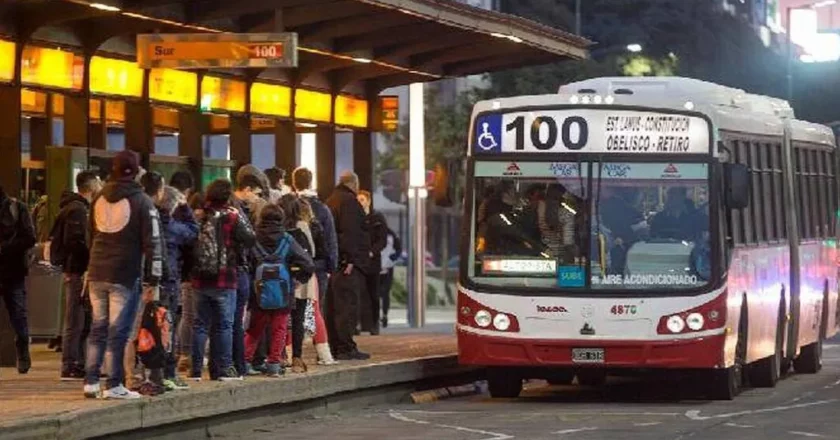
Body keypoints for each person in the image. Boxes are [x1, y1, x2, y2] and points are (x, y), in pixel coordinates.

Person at [84, 150, 163, 399]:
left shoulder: (98, 197)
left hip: (97, 270)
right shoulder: (142, 201)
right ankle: (115, 384)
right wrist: (154, 278)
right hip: (124, 273)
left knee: (97, 328)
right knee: (118, 331)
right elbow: (153, 242)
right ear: (136, 171)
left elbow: (90, 235)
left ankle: (91, 381)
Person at [191, 179, 255, 381]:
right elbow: (250, 238)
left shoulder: (199, 215)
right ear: (228, 196)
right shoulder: (232, 216)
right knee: (224, 325)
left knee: (200, 325)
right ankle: (224, 368)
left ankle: (195, 371)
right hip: (225, 278)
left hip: (200, 279)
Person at [243, 204, 313, 377]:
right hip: (283, 292)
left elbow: (244, 262)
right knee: (279, 328)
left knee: (254, 329)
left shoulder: (253, 239)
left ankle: (244, 361)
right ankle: (274, 364)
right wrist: (298, 279)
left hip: (258, 292)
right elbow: (308, 264)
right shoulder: (287, 240)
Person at [52, 170, 101, 380]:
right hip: (77, 270)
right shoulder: (78, 210)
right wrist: (90, 257)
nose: (101, 185)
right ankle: (70, 363)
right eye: (98, 182)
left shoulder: (75, 208)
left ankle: (77, 362)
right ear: (90, 186)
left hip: (74, 270)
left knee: (79, 317)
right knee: (75, 318)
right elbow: (77, 241)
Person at [325, 171, 371, 360]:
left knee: (333, 307)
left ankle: (335, 345)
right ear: (354, 183)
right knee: (347, 306)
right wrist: (350, 260)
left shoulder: (330, 200)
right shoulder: (350, 203)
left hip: (334, 263)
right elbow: (351, 233)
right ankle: (346, 347)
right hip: (347, 265)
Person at [158, 186, 197, 390]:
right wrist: (185, 208)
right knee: (168, 327)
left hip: (147, 281)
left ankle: (148, 374)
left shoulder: (150, 222)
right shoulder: (173, 227)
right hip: (170, 280)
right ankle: (168, 374)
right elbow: (193, 232)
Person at [232, 166, 268, 376]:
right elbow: (249, 242)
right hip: (243, 271)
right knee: (238, 320)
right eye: (255, 193)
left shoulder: (237, 208)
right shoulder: (241, 211)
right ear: (247, 189)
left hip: (241, 270)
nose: (257, 197)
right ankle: (242, 361)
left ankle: (240, 360)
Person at [0, 184, 36, 375]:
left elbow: (30, 237)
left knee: (19, 316)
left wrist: (4, 248)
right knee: (18, 314)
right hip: (12, 271)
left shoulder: (16, 208)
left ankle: (22, 351)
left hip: (13, 271)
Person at [291, 167, 338, 316]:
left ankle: (297, 337)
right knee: (315, 308)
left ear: (293, 183)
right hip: (319, 265)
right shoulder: (323, 209)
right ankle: (313, 336)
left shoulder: (289, 206)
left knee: (295, 309)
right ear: (311, 182)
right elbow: (331, 239)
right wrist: (331, 266)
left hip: (294, 265)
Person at [177, 192, 204, 374]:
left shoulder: (183, 224)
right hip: (203, 277)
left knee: (187, 316)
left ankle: (184, 354)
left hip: (186, 275)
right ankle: (196, 356)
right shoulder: (207, 223)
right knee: (201, 319)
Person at [356, 190, 387, 335]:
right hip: (359, 262)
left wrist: (371, 252)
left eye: (362, 200)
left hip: (373, 262)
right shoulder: (354, 218)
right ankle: (359, 324)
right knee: (358, 294)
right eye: (358, 200)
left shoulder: (378, 218)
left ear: (368, 201)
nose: (360, 203)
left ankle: (375, 324)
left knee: (374, 294)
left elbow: (382, 240)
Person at [378, 223, 401, 329]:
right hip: (381, 266)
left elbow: (398, 250)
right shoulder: (390, 234)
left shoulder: (390, 235)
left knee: (383, 293)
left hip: (385, 266)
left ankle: (384, 315)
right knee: (381, 294)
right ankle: (381, 315)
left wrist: (391, 259)